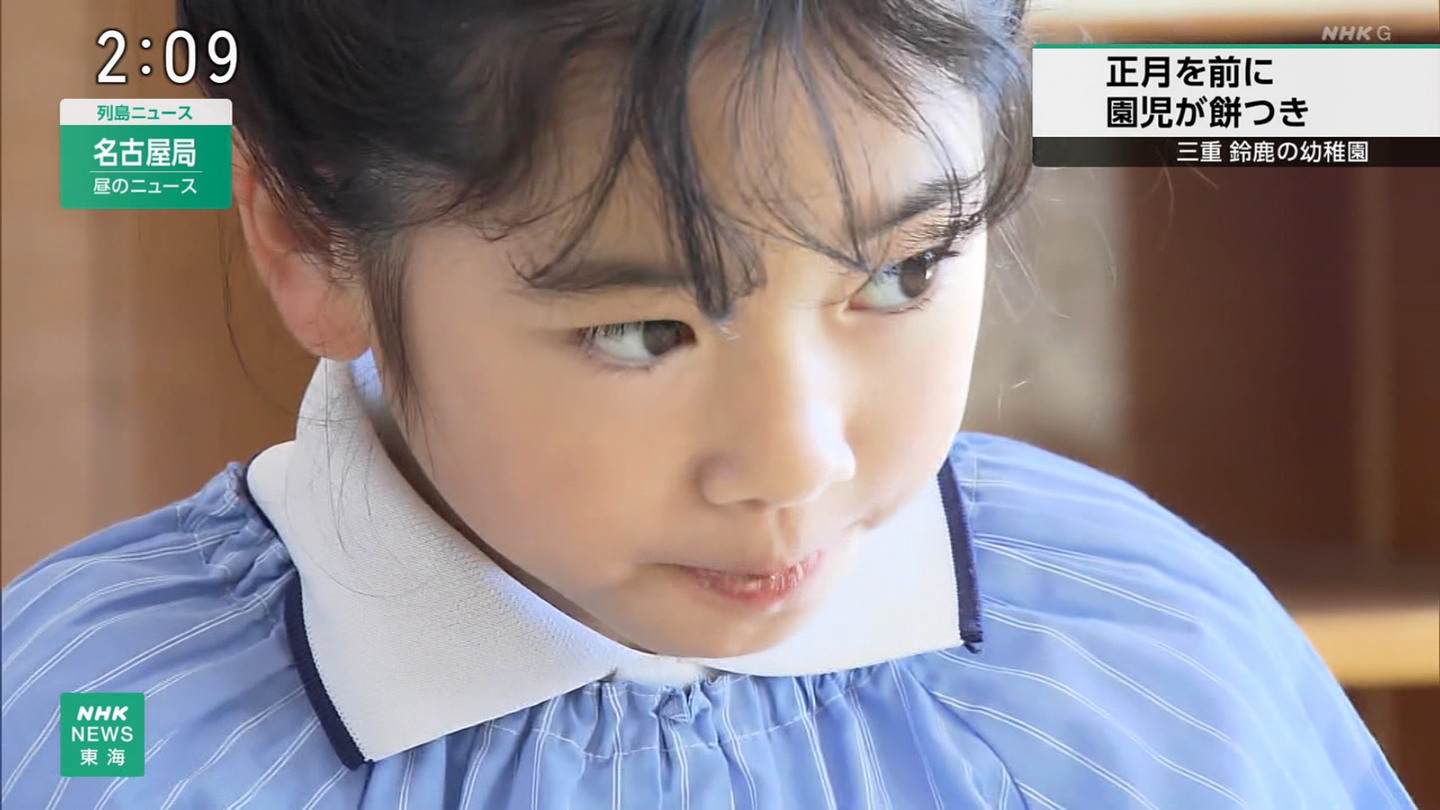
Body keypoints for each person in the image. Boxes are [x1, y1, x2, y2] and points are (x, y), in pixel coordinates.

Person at [1, 1, 1416, 807]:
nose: (796, 462)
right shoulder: (101, 725)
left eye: (905, 271)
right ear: (313, 242)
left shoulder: (1164, 651)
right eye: (641, 330)